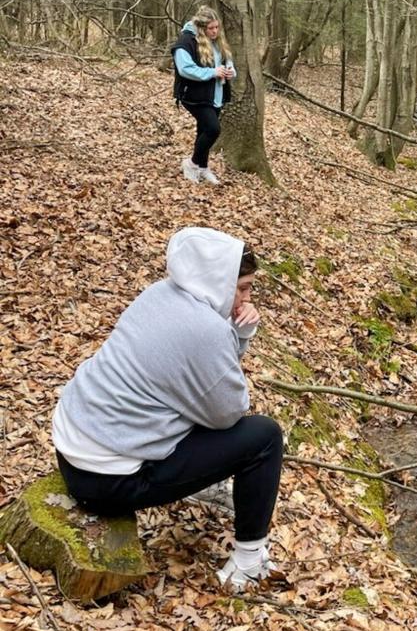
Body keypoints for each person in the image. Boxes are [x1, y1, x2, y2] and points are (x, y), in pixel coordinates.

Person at [52, 227, 283, 591]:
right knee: (265, 437)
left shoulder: (160, 293)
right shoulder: (207, 330)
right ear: (219, 282)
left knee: (197, 406)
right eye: (242, 288)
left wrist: (231, 332)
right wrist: (240, 335)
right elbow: (229, 413)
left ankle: (200, 483)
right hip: (104, 483)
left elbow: (205, 385)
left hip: (72, 450)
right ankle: (250, 560)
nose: (247, 297)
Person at [172, 6, 236, 185]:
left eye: (217, 27)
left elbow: (227, 61)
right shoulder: (186, 41)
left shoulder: (217, 41)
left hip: (215, 94)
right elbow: (185, 69)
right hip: (193, 95)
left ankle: (203, 167)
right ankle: (191, 164)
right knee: (213, 129)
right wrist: (212, 72)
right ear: (201, 27)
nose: (215, 31)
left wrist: (230, 71)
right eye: (211, 28)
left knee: (203, 130)